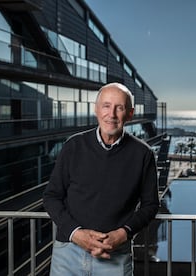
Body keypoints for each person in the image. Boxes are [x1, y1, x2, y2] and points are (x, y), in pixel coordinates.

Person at [43, 82, 159, 276]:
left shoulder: (143, 154)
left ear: (130, 114)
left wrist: (123, 234)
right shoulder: (74, 146)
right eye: (106, 106)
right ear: (96, 110)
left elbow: (150, 205)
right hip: (68, 253)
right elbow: (51, 197)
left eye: (119, 108)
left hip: (115, 257)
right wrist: (76, 233)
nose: (111, 114)